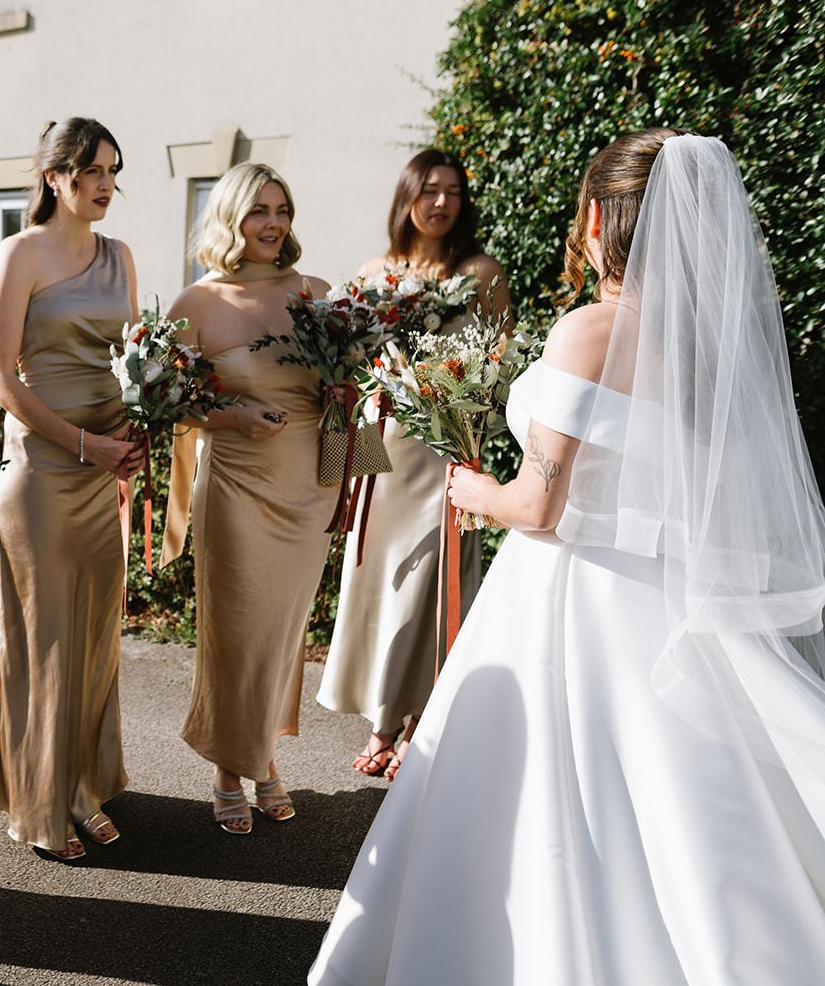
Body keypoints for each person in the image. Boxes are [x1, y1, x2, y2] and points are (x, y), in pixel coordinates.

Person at [309, 130, 825, 985]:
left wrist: (475, 490)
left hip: (570, 594)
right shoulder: (705, 345)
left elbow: (539, 506)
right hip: (669, 595)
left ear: (595, 222)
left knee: (554, 793)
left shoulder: (588, 331)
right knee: (695, 799)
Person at [0, 118, 144, 860]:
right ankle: (40, 804)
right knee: (47, 638)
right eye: (92, 171)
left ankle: (81, 784)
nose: (105, 184)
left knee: (97, 635)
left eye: (112, 170)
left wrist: (138, 430)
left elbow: (137, 358)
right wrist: (82, 443)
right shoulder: (19, 253)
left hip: (108, 466)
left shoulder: (121, 256)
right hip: (43, 474)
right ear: (55, 178)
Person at [316, 148, 510, 780]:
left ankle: (420, 724)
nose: (441, 202)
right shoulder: (375, 271)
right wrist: (343, 452)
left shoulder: (480, 271)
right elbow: (347, 365)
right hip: (381, 442)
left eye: (453, 191)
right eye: (429, 190)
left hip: (445, 447)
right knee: (378, 579)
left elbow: (500, 364)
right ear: (406, 198)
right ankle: (380, 719)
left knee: (432, 586)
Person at [160, 163, 331, 833]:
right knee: (235, 633)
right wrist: (230, 417)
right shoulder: (196, 303)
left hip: (308, 488)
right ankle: (231, 770)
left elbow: (345, 377)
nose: (273, 223)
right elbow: (167, 397)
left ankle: (260, 756)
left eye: (282, 209)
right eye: (259, 210)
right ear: (231, 217)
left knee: (283, 634)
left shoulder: (316, 292)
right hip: (236, 486)